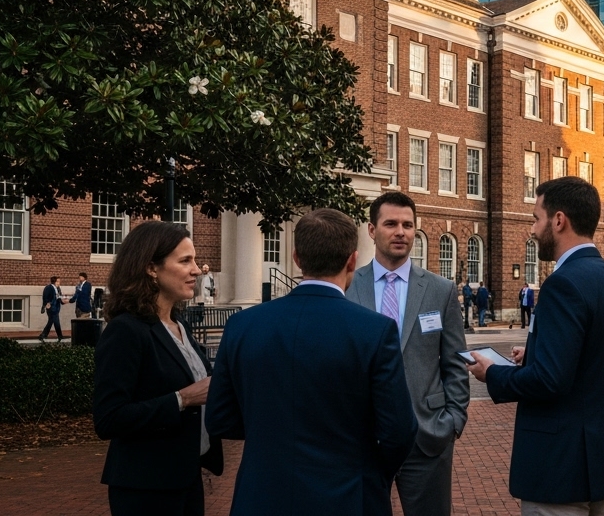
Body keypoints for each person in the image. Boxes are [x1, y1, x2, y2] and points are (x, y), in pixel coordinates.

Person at [206, 208, 416, 516]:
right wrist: (370, 472)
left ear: (296, 259)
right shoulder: (375, 330)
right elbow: (399, 430)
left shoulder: (243, 325)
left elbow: (220, 419)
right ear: (352, 260)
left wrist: (272, 431)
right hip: (346, 496)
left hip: (262, 495)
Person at [465, 176, 604, 516]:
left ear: (558, 220)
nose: (531, 228)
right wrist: (538, 353)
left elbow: (549, 381)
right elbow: (597, 355)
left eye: (535, 218)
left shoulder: (563, 283)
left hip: (561, 463)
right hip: (603, 459)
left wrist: (495, 373)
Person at [346, 192, 469, 516]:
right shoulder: (348, 288)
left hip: (426, 437)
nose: (400, 231)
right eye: (390, 224)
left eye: (407, 225)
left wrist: (453, 420)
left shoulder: (440, 290)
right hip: (363, 439)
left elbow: (456, 361)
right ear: (372, 230)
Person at [93, 220, 222, 516]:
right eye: (185, 260)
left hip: (188, 478)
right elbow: (109, 418)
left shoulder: (180, 326)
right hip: (145, 488)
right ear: (152, 268)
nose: (197, 270)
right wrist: (182, 398)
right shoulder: (126, 331)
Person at [39, 276, 64, 340]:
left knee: (54, 321)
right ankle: (44, 334)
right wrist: (46, 304)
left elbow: (60, 297)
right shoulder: (48, 288)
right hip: (51, 307)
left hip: (57, 307)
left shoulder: (58, 289)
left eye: (59, 282)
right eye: (58, 281)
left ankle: (46, 335)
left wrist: (63, 301)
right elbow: (45, 297)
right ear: (54, 282)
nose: (59, 283)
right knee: (53, 321)